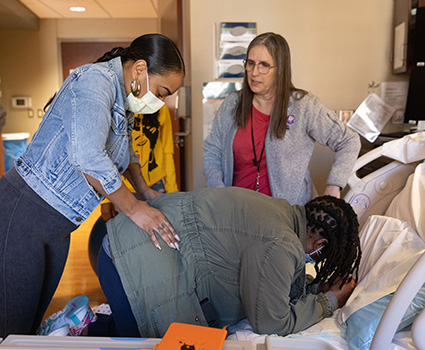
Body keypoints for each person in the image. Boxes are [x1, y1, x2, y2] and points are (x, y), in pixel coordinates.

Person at [0, 33, 185, 338]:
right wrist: (135, 209)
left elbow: (126, 151)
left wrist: (145, 192)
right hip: (24, 216)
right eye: (162, 92)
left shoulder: (123, 98)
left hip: (58, 228)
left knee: (29, 331)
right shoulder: (93, 82)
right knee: (11, 334)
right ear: (140, 69)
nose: (161, 102)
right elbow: (89, 158)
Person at [89, 188, 360, 338]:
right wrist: (330, 302)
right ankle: (73, 328)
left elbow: (273, 282)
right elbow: (271, 322)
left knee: (122, 334)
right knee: (132, 344)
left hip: (121, 243)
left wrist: (314, 290)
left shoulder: (280, 210)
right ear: (321, 246)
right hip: (129, 261)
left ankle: (87, 324)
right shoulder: (283, 243)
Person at [203, 32, 361, 205]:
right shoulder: (232, 105)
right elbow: (213, 150)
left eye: (264, 65)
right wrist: (217, 190)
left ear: (280, 69)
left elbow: (349, 140)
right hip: (237, 212)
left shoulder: (303, 106)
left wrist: (334, 185)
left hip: (287, 216)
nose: (255, 72)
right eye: (250, 63)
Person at [100, 104, 179, 222]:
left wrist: (172, 191)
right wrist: (106, 199)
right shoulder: (119, 107)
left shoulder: (161, 109)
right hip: (121, 187)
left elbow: (167, 152)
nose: (161, 98)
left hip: (155, 185)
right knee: (126, 234)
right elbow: (104, 153)